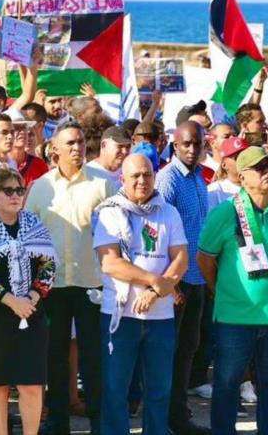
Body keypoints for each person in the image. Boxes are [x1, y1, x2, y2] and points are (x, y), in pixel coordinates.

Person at [198, 147, 268, 435]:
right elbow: (205, 259)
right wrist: (222, 290)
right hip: (234, 318)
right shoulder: (224, 213)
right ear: (243, 177)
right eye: (259, 167)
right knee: (227, 385)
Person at [25, 121, 116, 434]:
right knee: (55, 355)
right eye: (70, 143)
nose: (77, 148)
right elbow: (28, 233)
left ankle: (97, 418)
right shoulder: (41, 187)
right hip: (53, 287)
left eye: (80, 142)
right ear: (55, 150)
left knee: (94, 354)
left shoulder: (104, 183)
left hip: (93, 283)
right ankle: (57, 419)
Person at [94, 154, 189, 435]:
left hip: (161, 316)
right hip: (120, 314)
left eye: (147, 174)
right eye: (135, 175)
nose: (141, 181)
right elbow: (110, 262)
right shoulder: (108, 211)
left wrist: (155, 292)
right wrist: (154, 282)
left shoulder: (168, 212)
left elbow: (181, 259)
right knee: (115, 390)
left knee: (160, 390)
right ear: (122, 179)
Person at [0, 168, 57, 435]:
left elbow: (48, 265)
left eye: (19, 190)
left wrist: (33, 296)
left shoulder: (33, 223)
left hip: (30, 312)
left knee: (31, 382)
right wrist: (9, 300)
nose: (16, 195)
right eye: (8, 190)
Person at [154, 121, 211, 435]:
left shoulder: (200, 178)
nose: (191, 149)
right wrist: (170, 283)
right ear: (175, 145)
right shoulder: (168, 179)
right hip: (175, 283)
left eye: (196, 144)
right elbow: (159, 234)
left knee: (188, 349)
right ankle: (163, 418)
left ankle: (178, 415)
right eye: (185, 144)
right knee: (168, 353)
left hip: (197, 279)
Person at [207, 137, 250, 210]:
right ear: (224, 165)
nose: (244, 161)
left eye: (247, 156)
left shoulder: (261, 184)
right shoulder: (214, 191)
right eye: (237, 158)